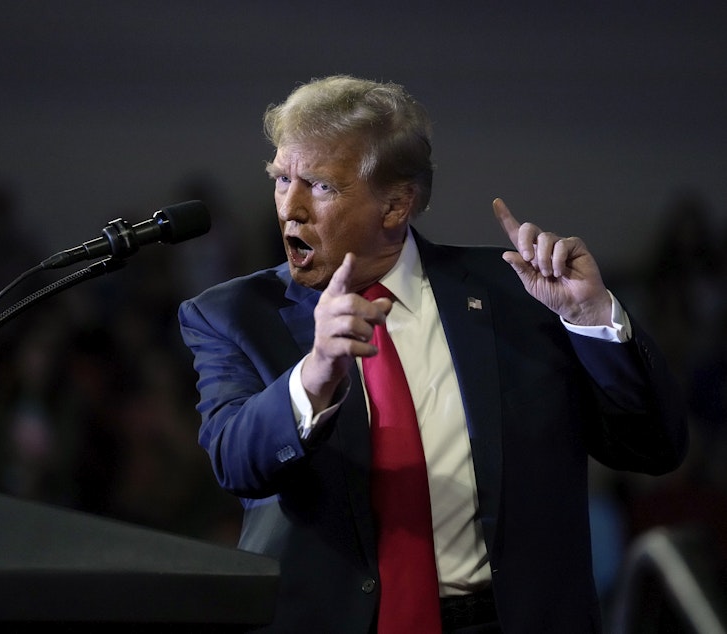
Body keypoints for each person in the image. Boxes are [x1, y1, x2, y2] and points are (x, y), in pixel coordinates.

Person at [177, 75, 688, 633]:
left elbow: (654, 447)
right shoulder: (231, 314)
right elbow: (235, 462)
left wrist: (592, 321)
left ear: (396, 205)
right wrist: (315, 374)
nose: (290, 208)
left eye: (320, 186)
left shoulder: (519, 295)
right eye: (282, 179)